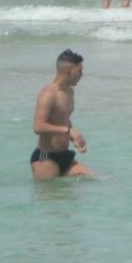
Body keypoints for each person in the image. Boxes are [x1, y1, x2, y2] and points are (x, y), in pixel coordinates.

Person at [31, 49, 95, 180]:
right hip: (46, 158)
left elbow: (63, 119)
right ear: (69, 71)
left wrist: (74, 138)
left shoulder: (69, 92)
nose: (82, 75)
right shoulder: (48, 94)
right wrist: (68, 131)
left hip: (65, 156)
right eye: (79, 71)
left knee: (94, 180)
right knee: (51, 197)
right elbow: (38, 127)